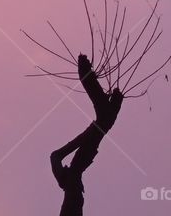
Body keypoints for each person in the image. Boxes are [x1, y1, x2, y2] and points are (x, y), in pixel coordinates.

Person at [49, 54, 123, 216]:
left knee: (103, 124)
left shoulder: (70, 182)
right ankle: (104, 116)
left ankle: (102, 118)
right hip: (74, 175)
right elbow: (58, 157)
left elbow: (56, 156)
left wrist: (91, 132)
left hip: (73, 176)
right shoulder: (72, 183)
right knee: (104, 123)